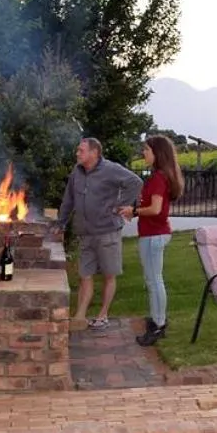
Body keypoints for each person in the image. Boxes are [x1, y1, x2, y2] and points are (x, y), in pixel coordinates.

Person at [57, 136, 144, 330]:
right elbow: (68, 199)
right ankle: (80, 316)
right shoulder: (77, 171)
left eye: (81, 150)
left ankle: (102, 315)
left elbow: (135, 182)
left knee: (109, 274)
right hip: (85, 232)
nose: (77, 153)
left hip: (107, 232)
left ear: (94, 153)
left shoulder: (111, 169)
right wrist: (60, 222)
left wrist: (121, 205)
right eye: (77, 150)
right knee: (85, 274)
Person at [130, 135, 184, 348]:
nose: (143, 153)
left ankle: (158, 324)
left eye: (146, 149)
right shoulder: (160, 177)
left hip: (154, 235)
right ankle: (156, 318)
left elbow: (155, 209)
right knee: (152, 280)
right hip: (152, 234)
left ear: (157, 153)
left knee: (154, 281)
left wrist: (134, 211)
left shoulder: (158, 178)